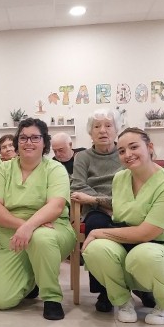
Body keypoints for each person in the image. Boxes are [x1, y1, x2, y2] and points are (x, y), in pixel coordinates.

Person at [82, 128, 164, 325]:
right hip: (126, 246)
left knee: (143, 254)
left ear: (150, 147)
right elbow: (120, 213)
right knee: (95, 249)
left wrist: (98, 232)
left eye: (134, 147)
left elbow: (146, 233)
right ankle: (122, 301)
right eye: (121, 151)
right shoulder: (120, 178)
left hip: (161, 251)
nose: (127, 154)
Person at [0, 118, 76, 320]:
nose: (29, 142)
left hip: (53, 231)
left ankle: (51, 297)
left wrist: (31, 227)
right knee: (0, 300)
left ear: (44, 142)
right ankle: (32, 278)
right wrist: (24, 226)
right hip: (14, 237)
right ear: (17, 142)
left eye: (35, 138)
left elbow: (56, 206)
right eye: (23, 138)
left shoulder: (55, 169)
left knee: (41, 238)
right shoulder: (3, 170)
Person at [70, 108, 130, 313]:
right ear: (90, 132)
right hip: (95, 212)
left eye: (108, 125)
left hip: (125, 207)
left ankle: (140, 286)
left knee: (135, 225)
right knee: (96, 225)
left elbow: (132, 187)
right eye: (97, 126)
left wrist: (96, 199)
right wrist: (104, 204)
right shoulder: (82, 157)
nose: (103, 130)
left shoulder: (125, 154)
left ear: (116, 129)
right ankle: (105, 290)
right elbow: (78, 186)